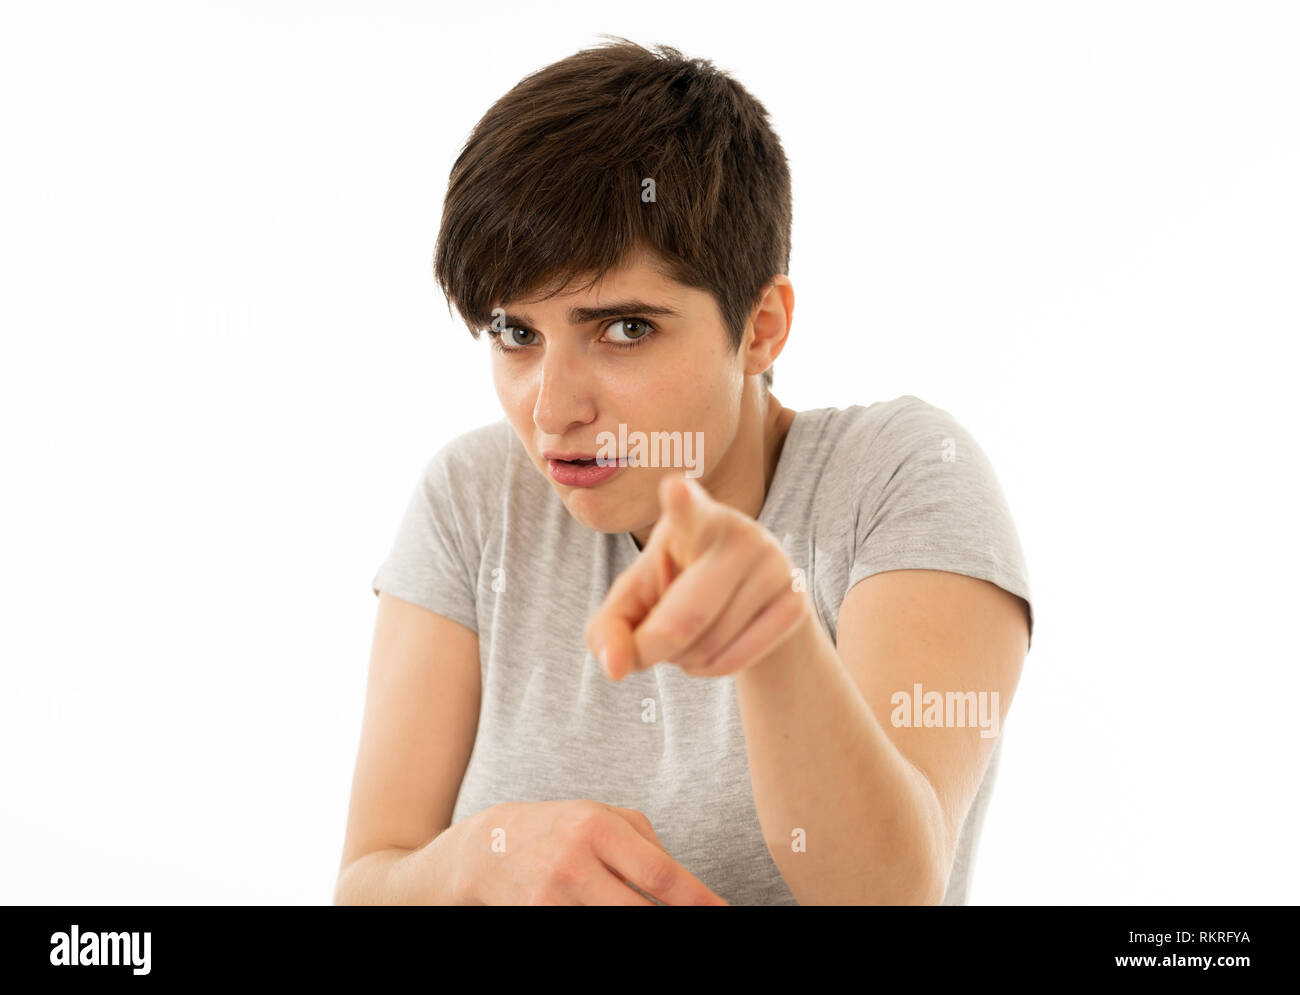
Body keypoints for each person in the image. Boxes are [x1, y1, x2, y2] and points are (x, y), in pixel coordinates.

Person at [333, 37, 1034, 906]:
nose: (552, 412)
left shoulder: (902, 478)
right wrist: (485, 856)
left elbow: (891, 893)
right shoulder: (473, 499)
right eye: (516, 333)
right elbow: (368, 881)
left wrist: (776, 638)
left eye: (624, 328)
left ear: (762, 327)